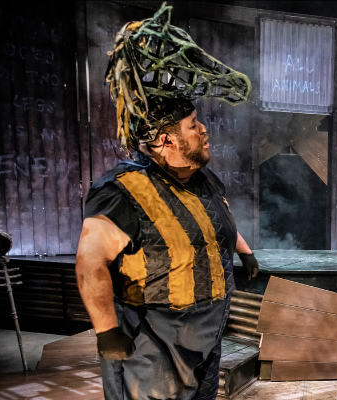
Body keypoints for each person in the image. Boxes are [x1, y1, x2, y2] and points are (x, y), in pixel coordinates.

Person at [74, 4, 258, 399]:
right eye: (193, 126)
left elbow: (213, 221)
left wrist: (244, 251)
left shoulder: (202, 178)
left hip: (207, 335)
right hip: (154, 343)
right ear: (165, 141)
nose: (204, 130)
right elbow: (90, 263)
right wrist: (107, 331)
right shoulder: (123, 191)